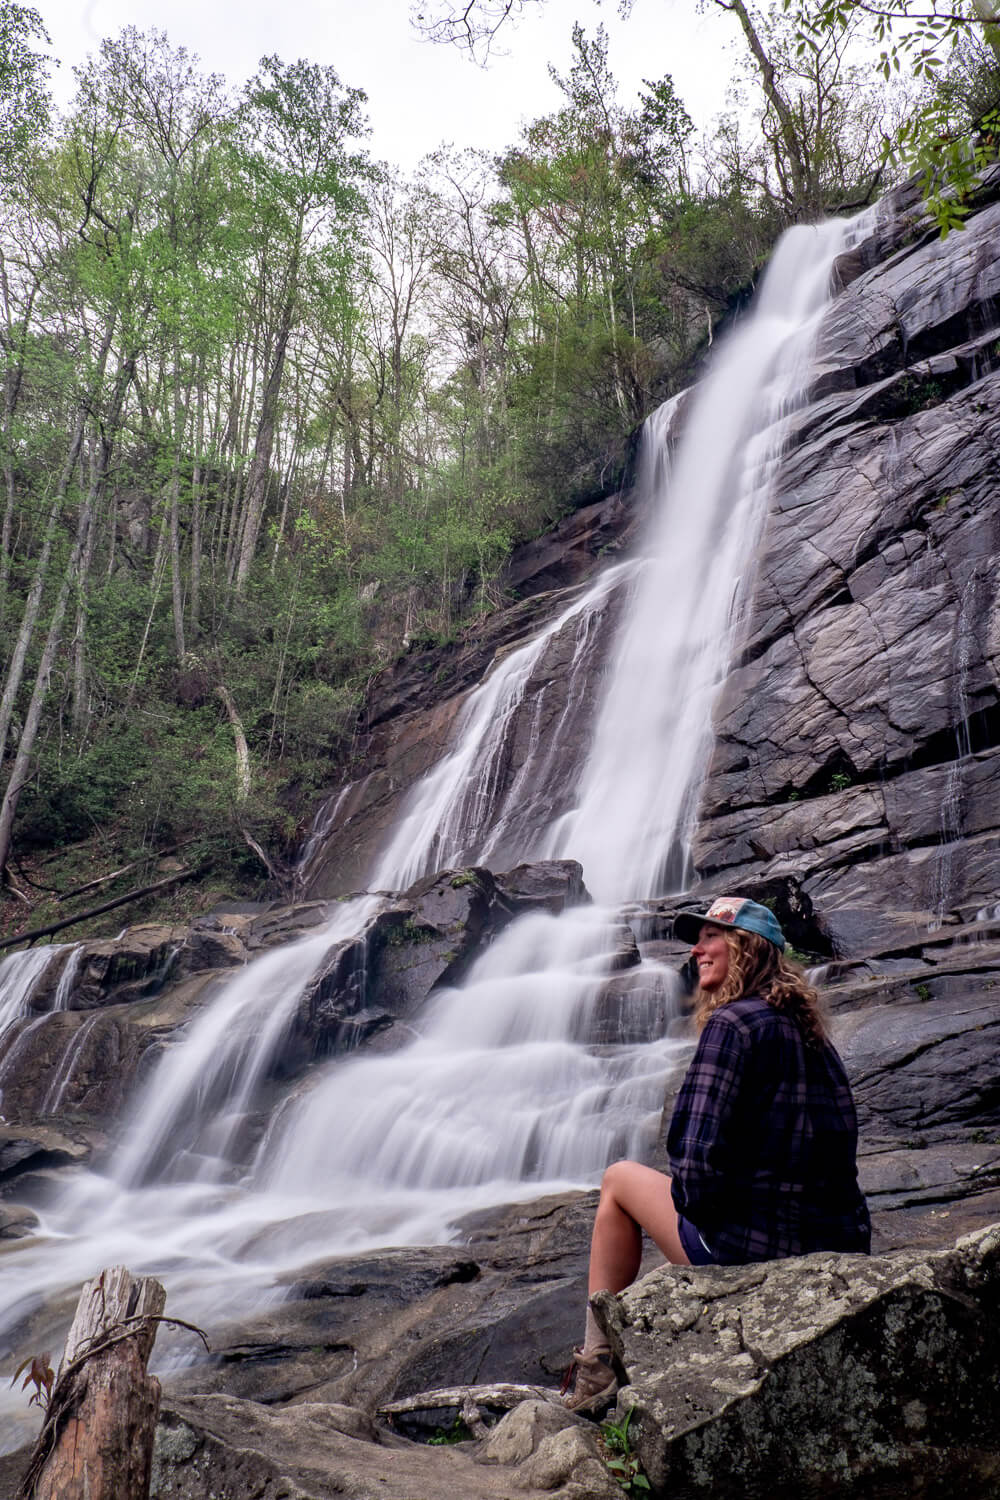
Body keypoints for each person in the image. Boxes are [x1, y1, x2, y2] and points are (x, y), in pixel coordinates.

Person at [562, 894, 871, 1415]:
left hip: (750, 1252)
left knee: (618, 1179)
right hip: (834, 1245)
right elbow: (842, 1143)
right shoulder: (811, 1031)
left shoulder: (732, 1026)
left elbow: (695, 1159)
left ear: (745, 947)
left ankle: (594, 1372)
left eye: (710, 938)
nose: (696, 951)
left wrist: (705, 1226)